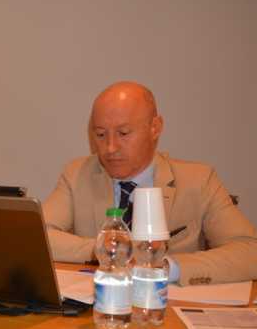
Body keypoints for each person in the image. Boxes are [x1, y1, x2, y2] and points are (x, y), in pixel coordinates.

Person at [43, 81, 257, 285]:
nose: (110, 147)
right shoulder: (77, 174)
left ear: (155, 127)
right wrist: (107, 249)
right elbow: (39, 237)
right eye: (100, 134)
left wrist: (166, 267)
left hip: (166, 304)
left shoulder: (199, 181)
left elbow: (250, 251)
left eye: (123, 133)